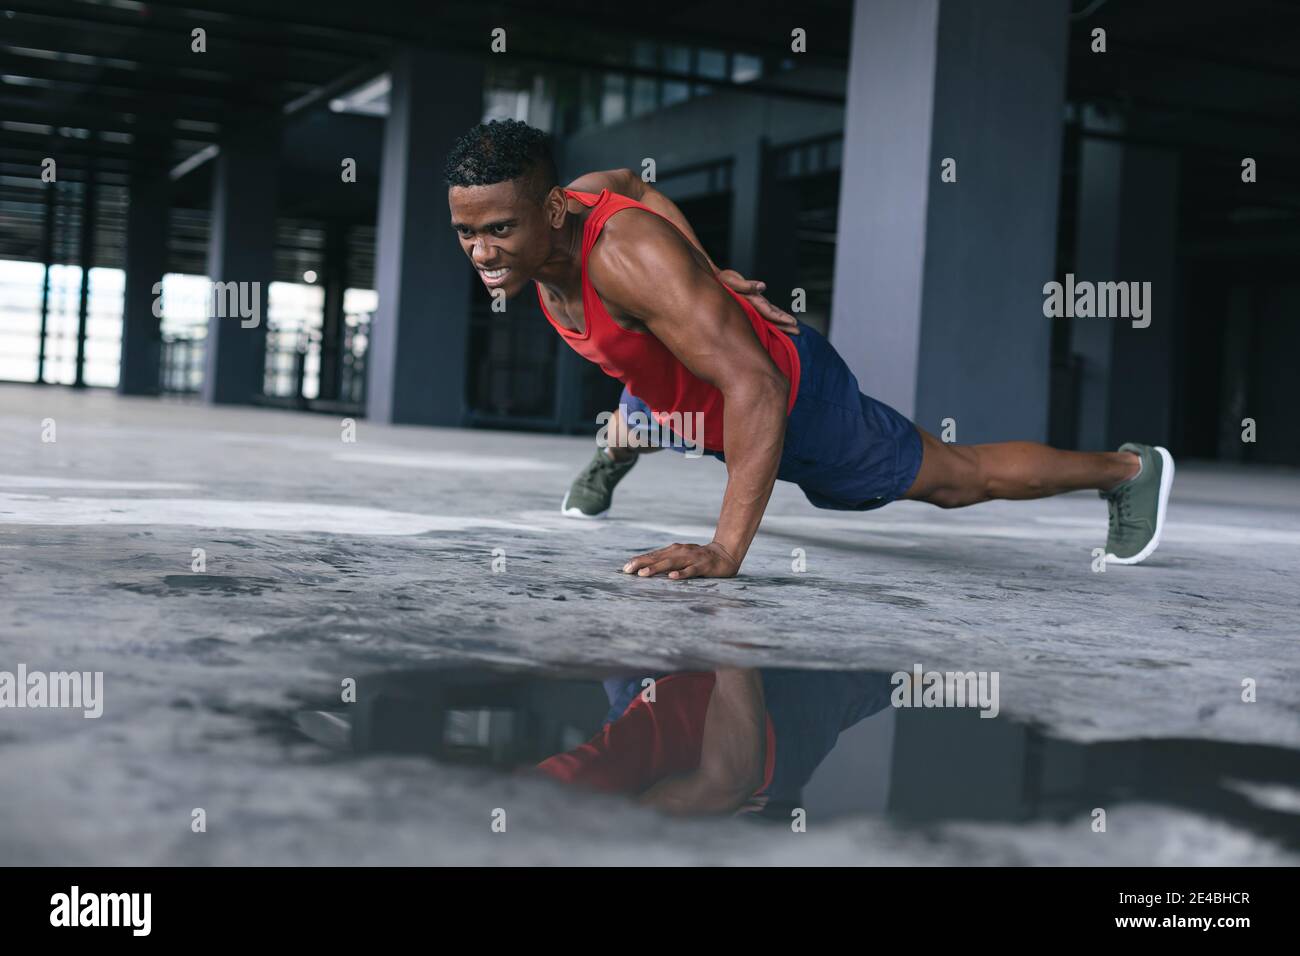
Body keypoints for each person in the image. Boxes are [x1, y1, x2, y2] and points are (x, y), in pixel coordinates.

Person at [444, 119, 1174, 580]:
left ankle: (1128, 468)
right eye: (467, 233)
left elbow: (756, 389)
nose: (480, 252)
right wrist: (709, 268)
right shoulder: (566, 214)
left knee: (957, 479)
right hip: (676, 381)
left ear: (551, 210)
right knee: (639, 391)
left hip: (788, 397)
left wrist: (725, 551)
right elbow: (633, 180)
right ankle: (621, 444)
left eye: (499, 230)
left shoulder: (627, 265)